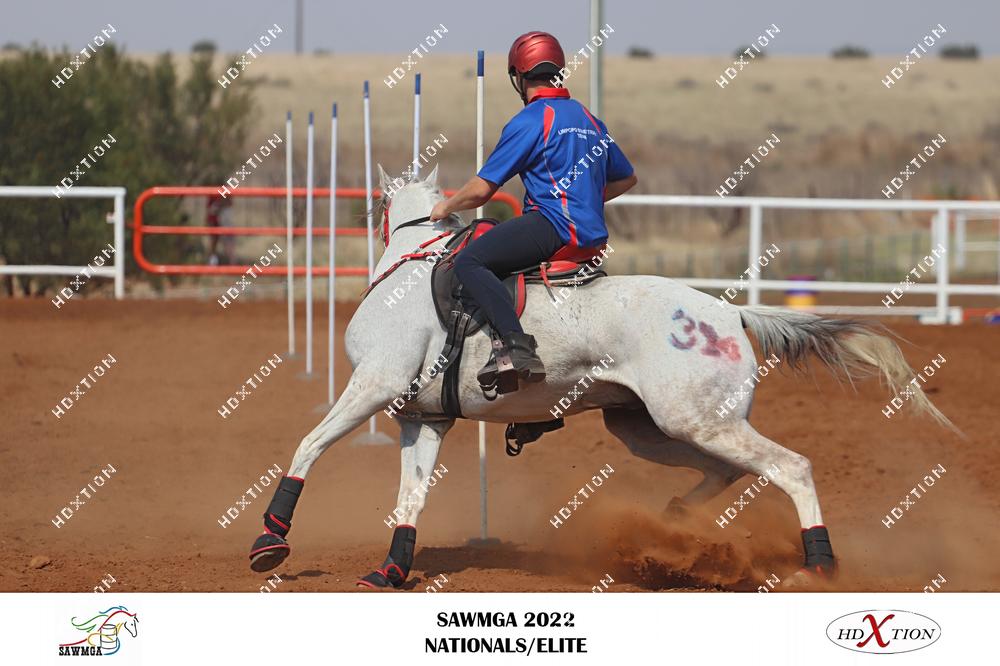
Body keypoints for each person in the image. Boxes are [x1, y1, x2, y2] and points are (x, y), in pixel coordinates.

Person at [429, 30, 637, 390]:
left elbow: (481, 191)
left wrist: (444, 206)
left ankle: (516, 346)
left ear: (519, 76)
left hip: (551, 228)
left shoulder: (531, 120)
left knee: (469, 261)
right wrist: (584, 198)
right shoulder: (589, 119)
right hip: (592, 239)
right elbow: (627, 178)